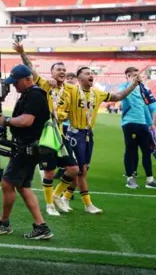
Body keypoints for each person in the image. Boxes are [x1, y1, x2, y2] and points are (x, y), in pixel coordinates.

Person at [0, 64, 52, 239]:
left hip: (27, 147)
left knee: (7, 183)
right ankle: (41, 226)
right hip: (29, 147)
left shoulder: (35, 95)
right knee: (23, 186)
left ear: (28, 79)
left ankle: (4, 223)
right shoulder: (29, 94)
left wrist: (5, 120)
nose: (14, 86)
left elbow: (26, 121)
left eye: (16, 82)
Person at [56, 67, 139, 213]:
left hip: (88, 135)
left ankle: (65, 198)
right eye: (87, 73)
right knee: (78, 170)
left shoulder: (97, 93)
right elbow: (57, 83)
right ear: (79, 78)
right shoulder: (72, 89)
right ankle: (74, 200)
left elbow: (117, 96)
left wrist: (133, 85)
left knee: (83, 170)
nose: (91, 76)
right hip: (75, 135)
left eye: (92, 73)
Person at [13, 42, 80, 217]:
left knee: (74, 169)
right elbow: (31, 69)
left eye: (64, 70)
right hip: (46, 135)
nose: (62, 72)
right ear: (51, 73)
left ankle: (57, 195)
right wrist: (22, 53)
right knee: (49, 171)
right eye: (58, 70)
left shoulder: (70, 90)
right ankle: (50, 205)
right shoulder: (44, 84)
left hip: (60, 134)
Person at [118, 67, 156, 189]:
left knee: (147, 151)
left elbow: (151, 104)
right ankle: (130, 178)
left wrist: (152, 122)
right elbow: (120, 96)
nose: (136, 77)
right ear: (127, 77)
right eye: (133, 75)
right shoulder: (123, 87)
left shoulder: (144, 88)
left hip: (143, 123)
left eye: (137, 75)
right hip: (130, 123)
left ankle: (150, 180)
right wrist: (133, 84)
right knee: (131, 150)